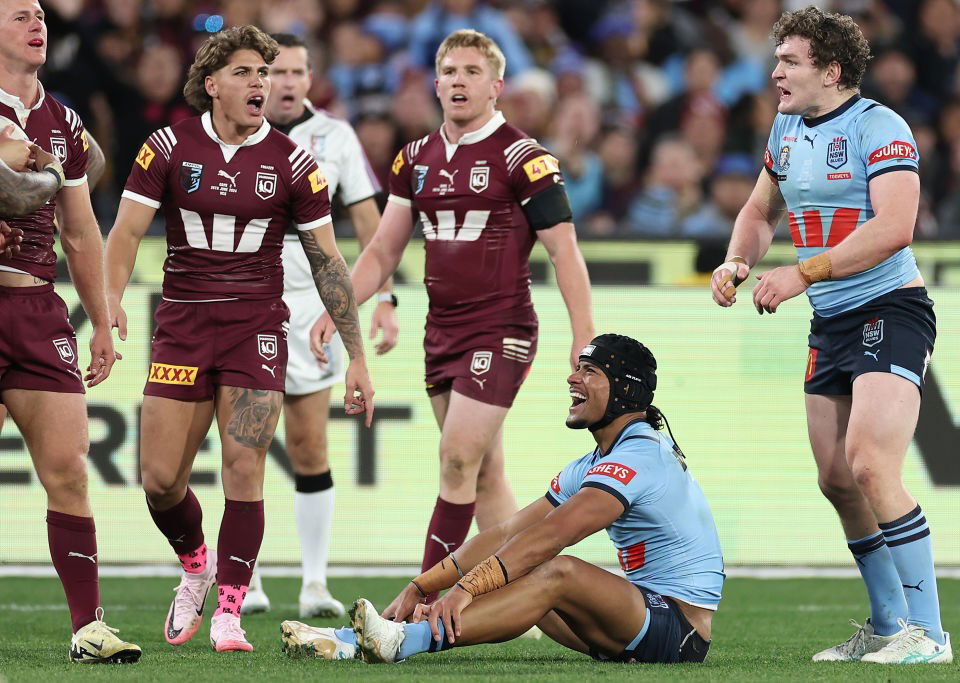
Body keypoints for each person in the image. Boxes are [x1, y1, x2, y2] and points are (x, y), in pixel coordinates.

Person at [103, 25, 374, 654]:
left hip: (257, 328)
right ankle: (195, 563)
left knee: (244, 466)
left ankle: (229, 610)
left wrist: (356, 356)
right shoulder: (167, 147)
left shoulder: (294, 162)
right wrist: (108, 300)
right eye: (248, 73)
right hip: (182, 324)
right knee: (159, 480)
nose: (263, 83)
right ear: (212, 85)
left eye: (267, 72)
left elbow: (331, 262)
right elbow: (124, 234)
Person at [311, 29, 594, 592]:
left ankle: (421, 600)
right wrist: (336, 306)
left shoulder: (525, 158)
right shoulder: (413, 159)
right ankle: (530, 596)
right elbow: (383, 251)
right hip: (441, 333)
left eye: (472, 71)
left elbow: (565, 250)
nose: (459, 81)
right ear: (435, 84)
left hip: (502, 329)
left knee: (457, 459)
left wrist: (583, 334)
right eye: (450, 72)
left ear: (496, 86)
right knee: (485, 475)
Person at [710, 7, 950, 664]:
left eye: (790, 60)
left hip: (891, 308)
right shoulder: (786, 128)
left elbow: (895, 226)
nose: (776, 71)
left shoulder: (881, 126)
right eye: (777, 58)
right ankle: (885, 624)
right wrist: (738, 260)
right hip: (832, 321)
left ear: (831, 70)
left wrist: (802, 272)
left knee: (872, 463)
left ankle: (929, 635)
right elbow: (761, 209)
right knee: (838, 478)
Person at [281, 334, 724, 665]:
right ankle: (350, 641)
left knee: (555, 569)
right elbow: (508, 531)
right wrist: (423, 585)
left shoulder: (641, 454)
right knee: (516, 559)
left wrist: (464, 589)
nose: (573, 377)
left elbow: (554, 536)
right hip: (639, 616)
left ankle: (401, 642)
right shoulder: (597, 459)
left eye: (590, 371)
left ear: (625, 390)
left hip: (680, 630)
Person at [0, 0, 140, 664]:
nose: (37, 24)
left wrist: (102, 313)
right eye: (19, 14)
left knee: (69, 470)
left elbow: (80, 230)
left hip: (36, 311)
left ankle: (88, 627)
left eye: (40, 16)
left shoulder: (64, 122)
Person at [241, 32, 399, 620]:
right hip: (245, 298)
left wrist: (384, 298)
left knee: (309, 444)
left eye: (295, 72)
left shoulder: (335, 137)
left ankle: (313, 583)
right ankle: (246, 581)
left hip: (313, 304)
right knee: (247, 442)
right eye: (271, 71)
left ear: (311, 79)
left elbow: (369, 223)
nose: (283, 82)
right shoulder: (228, 131)